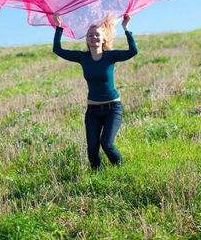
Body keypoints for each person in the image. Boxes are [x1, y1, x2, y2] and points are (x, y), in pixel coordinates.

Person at [52, 13, 138, 168]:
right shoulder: (82, 57)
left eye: (97, 35)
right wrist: (59, 26)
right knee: (92, 150)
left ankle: (121, 170)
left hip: (113, 109)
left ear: (103, 38)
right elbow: (57, 50)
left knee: (107, 144)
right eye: (90, 35)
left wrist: (126, 29)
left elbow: (133, 52)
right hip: (93, 111)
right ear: (86, 39)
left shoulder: (110, 56)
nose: (93, 37)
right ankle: (98, 175)